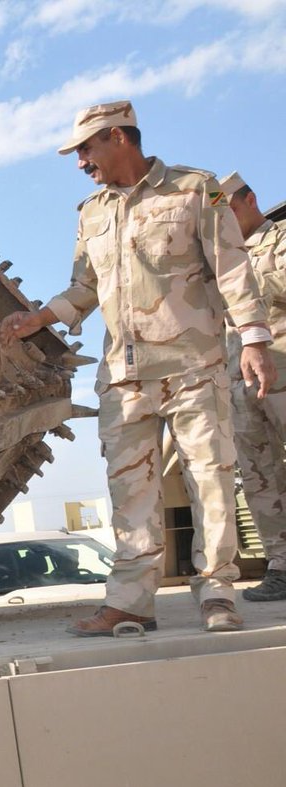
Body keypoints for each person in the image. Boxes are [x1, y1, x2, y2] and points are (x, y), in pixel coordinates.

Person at [1, 100, 276, 636]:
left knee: (211, 483)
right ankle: (131, 602)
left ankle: (217, 593)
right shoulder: (91, 212)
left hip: (194, 366)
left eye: (86, 147)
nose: (81, 161)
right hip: (124, 377)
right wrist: (39, 318)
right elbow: (85, 289)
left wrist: (254, 339)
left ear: (119, 137)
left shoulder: (197, 189)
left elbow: (232, 266)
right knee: (130, 491)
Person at [219, 171, 286, 601]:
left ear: (250, 200)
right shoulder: (216, 262)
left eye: (227, 211)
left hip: (281, 370)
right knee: (260, 477)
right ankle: (281, 565)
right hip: (239, 386)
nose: (221, 223)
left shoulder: (277, 241)